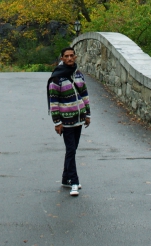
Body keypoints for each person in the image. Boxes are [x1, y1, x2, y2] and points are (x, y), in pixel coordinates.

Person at [47, 47, 91, 197]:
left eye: (72, 55)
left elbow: (84, 94)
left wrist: (88, 114)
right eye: (66, 56)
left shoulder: (78, 74)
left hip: (78, 119)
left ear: (76, 57)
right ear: (62, 58)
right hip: (66, 121)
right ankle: (74, 182)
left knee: (72, 150)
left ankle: (66, 178)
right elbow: (54, 101)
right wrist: (57, 122)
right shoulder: (56, 77)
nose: (70, 58)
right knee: (71, 149)